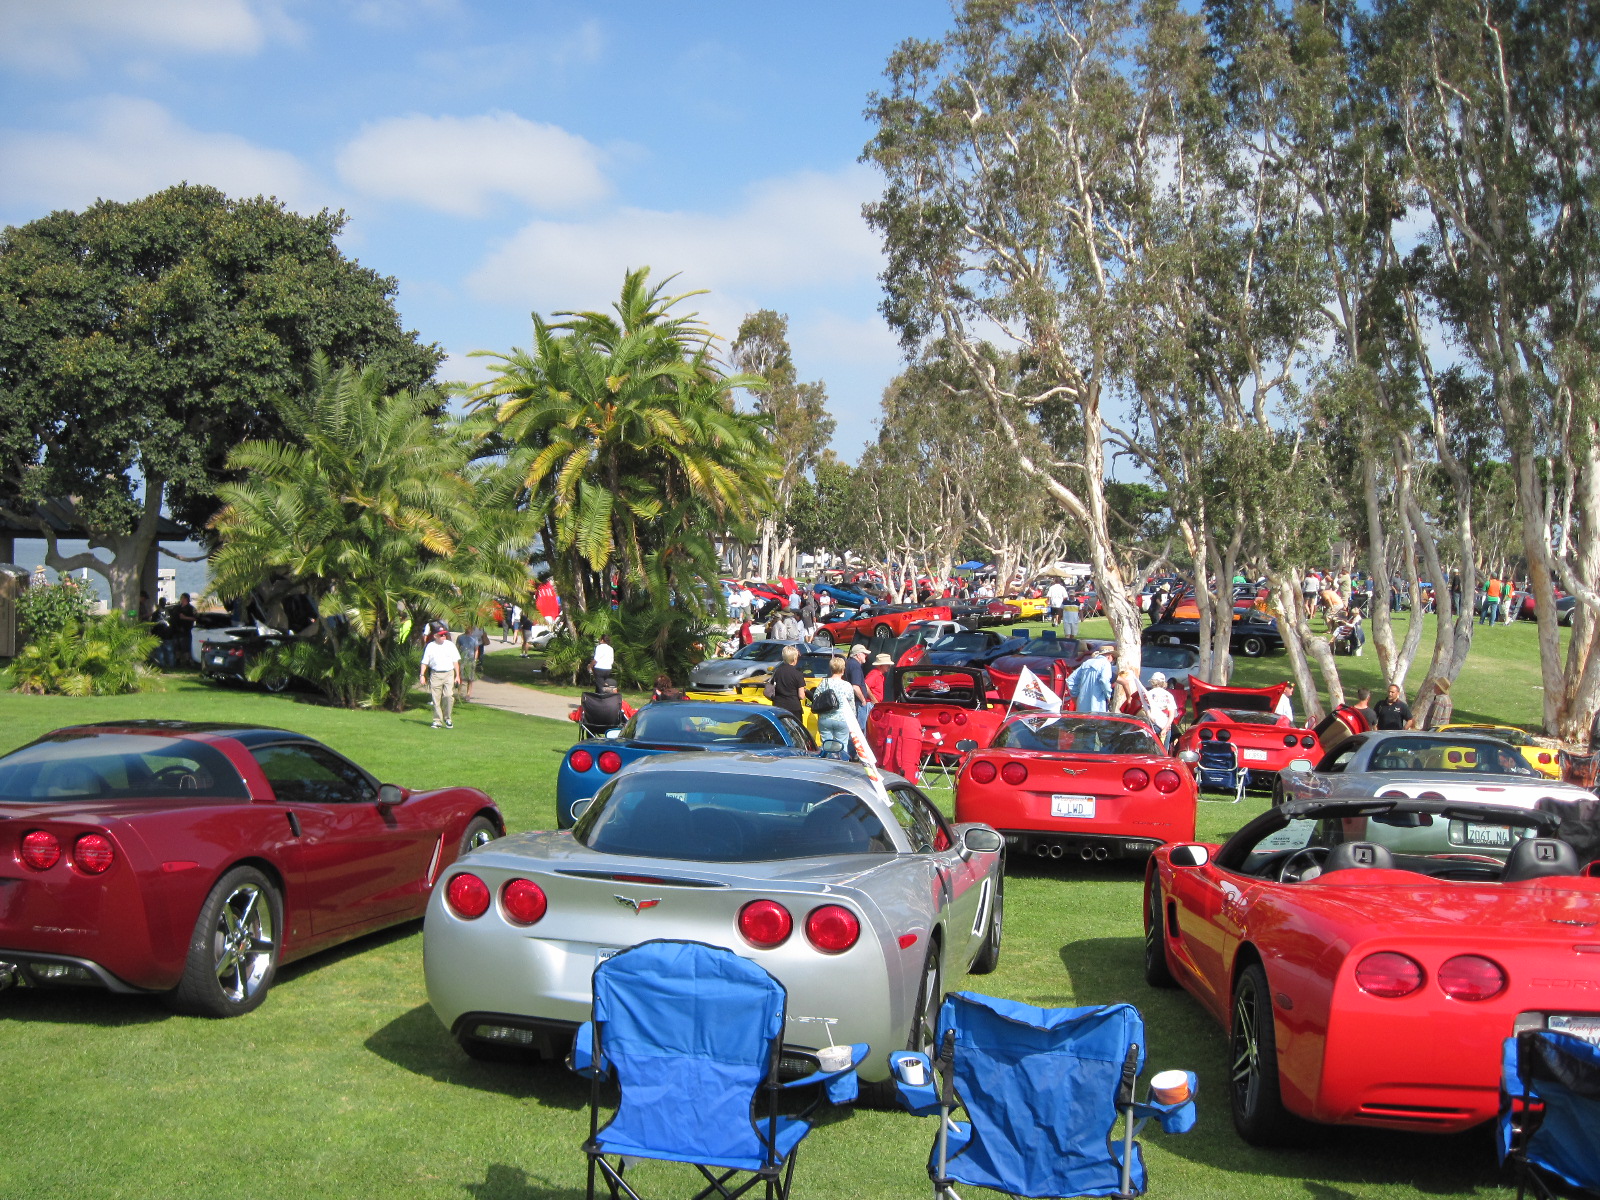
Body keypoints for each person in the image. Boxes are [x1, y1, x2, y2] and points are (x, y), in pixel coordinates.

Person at [811, 657, 861, 758]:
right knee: (842, 746)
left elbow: (815, 697)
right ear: (843, 670)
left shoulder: (824, 683)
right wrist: (853, 720)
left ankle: (826, 765)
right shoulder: (847, 685)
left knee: (826, 746)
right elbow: (851, 705)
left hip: (825, 719)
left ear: (831, 669)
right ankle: (842, 766)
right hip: (842, 719)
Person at [419, 624, 462, 729]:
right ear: (435, 636)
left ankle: (448, 718)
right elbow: (425, 662)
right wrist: (422, 675)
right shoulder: (430, 646)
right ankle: (437, 720)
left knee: (448, 696)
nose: (444, 637)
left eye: (444, 635)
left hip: (449, 673)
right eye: (441, 635)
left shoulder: (450, 645)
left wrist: (457, 676)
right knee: (436, 698)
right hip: (435, 674)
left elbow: (455, 661)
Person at [1066, 645, 1116, 713]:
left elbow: (1070, 680)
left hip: (1082, 704)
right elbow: (1104, 680)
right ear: (1110, 656)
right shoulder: (1105, 664)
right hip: (1098, 705)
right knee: (1098, 723)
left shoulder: (1087, 663)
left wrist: (1076, 696)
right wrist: (1108, 695)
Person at [768, 644, 808, 721]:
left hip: (779, 706)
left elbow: (767, 691)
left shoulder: (777, 672)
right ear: (795, 658)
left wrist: (775, 698)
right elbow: (801, 696)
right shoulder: (798, 674)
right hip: (794, 707)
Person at [1144, 672, 1180, 748]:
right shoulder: (1169, 695)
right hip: (1166, 725)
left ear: (1152, 682)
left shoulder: (1148, 694)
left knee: (1151, 749)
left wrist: (1152, 719)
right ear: (1163, 683)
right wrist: (1166, 727)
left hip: (1152, 725)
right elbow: (1172, 714)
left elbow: (1146, 711)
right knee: (1164, 751)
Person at [456, 626, 480, 703]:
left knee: (470, 678)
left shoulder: (474, 638)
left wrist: (475, 659)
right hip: (462, 659)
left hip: (471, 660)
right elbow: (457, 648)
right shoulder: (460, 637)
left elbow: (476, 649)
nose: (469, 630)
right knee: (461, 677)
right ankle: (459, 693)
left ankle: (468, 694)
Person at [173, 593, 197, 664]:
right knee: (177, 646)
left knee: (185, 646)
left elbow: (195, 618)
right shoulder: (177, 608)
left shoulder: (191, 608)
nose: (181, 599)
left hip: (186, 630)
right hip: (177, 630)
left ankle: (187, 661)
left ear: (186, 599)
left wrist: (185, 617)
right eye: (181, 598)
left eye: (183, 598)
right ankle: (178, 660)